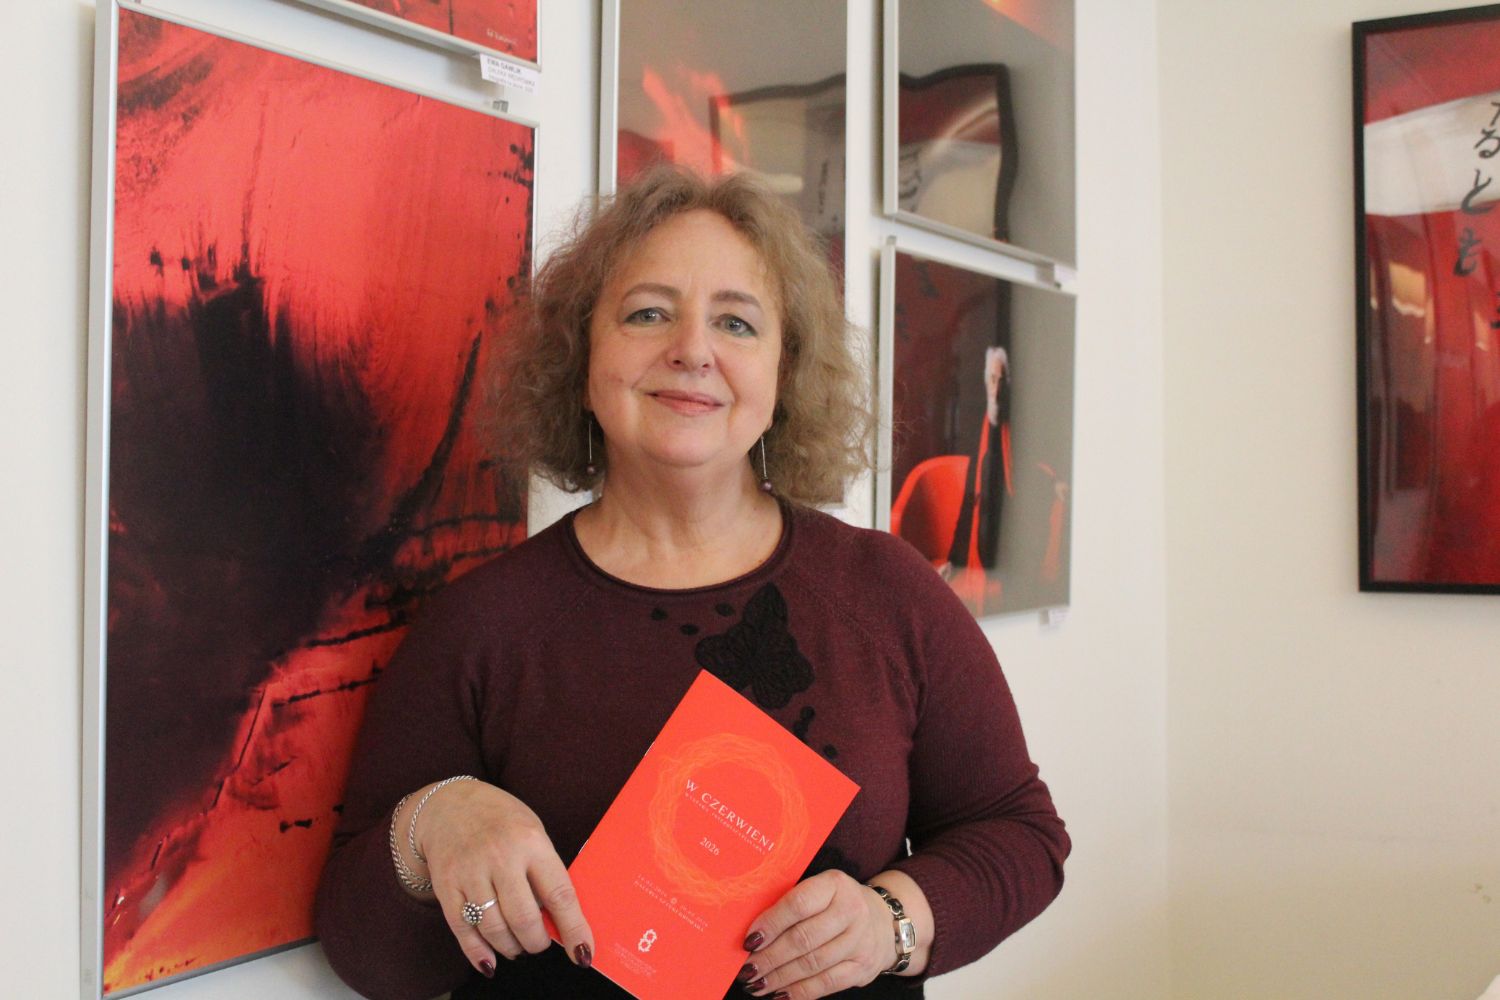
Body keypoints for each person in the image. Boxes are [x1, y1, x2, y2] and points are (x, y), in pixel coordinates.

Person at [314, 165, 1069, 1000]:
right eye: (648, 313)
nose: (692, 350)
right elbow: (363, 952)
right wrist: (430, 824)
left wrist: (892, 921)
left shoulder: (886, 592)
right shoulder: (481, 622)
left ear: (784, 374)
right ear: (582, 357)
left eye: (736, 322)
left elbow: (1021, 835)